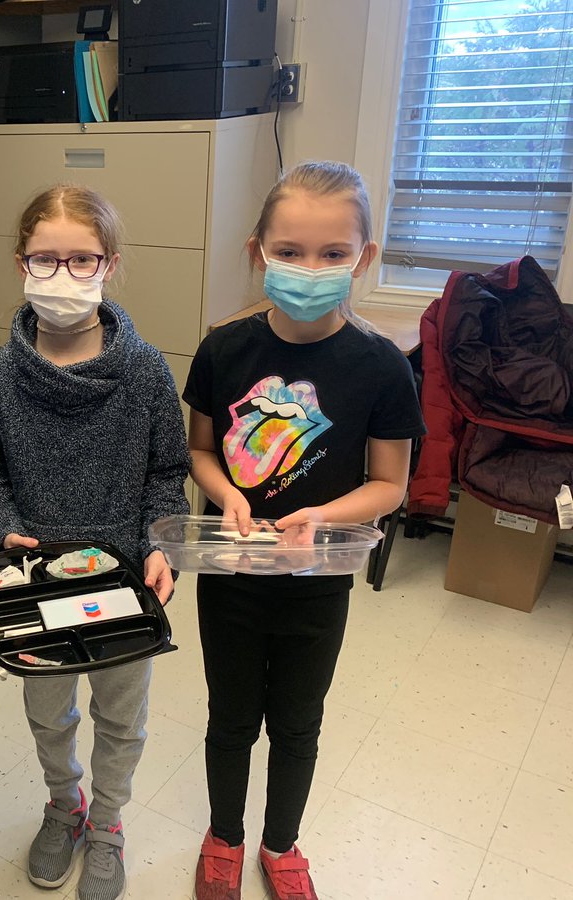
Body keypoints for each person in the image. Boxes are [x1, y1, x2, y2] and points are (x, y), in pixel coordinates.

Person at [182, 161, 425, 900]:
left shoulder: (383, 367)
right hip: (231, 572)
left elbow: (391, 484)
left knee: (296, 724)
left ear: (365, 259)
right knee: (230, 720)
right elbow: (200, 449)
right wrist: (226, 495)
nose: (309, 268)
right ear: (257, 251)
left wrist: (323, 515)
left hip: (319, 581)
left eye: (331, 253)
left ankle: (280, 843)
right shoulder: (224, 348)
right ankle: (224, 834)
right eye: (289, 252)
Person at [0, 184, 190, 900]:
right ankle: (65, 806)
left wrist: (160, 544)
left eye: (81, 259)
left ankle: (111, 823)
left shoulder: (146, 371)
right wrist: (4, 530)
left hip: (124, 579)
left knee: (121, 718)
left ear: (110, 265)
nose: (62, 275)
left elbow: (167, 472)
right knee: (49, 711)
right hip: (36, 581)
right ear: (21, 264)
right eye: (45, 258)